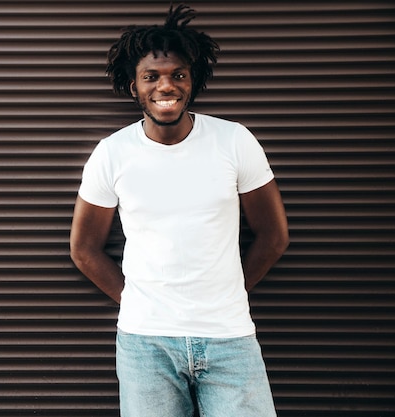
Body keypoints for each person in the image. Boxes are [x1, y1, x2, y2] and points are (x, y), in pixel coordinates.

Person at [70, 3, 289, 417]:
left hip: (230, 338)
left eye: (178, 75)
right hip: (145, 344)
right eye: (150, 76)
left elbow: (274, 236)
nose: (165, 86)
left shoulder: (234, 140)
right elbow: (84, 249)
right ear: (133, 86)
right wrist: (136, 301)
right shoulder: (111, 153)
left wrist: (230, 291)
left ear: (193, 81)